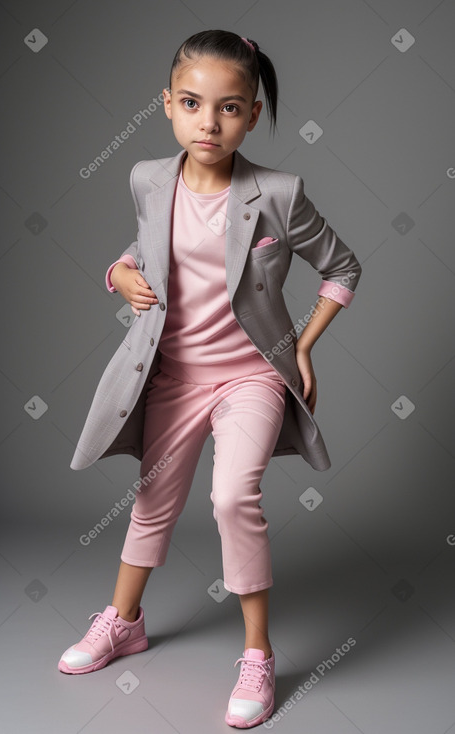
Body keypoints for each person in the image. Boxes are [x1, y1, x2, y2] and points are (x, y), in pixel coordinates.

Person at [58, 29, 362, 729]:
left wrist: (303, 347)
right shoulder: (145, 177)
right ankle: (122, 621)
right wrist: (119, 273)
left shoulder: (278, 194)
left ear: (252, 115)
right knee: (152, 499)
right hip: (172, 375)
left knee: (232, 500)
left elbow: (342, 268)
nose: (208, 122)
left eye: (229, 108)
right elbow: (145, 248)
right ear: (166, 105)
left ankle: (257, 655)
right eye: (192, 103)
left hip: (250, 376)